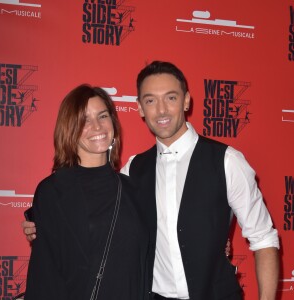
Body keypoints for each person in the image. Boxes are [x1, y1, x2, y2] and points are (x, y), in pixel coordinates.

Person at [23, 62, 280, 300]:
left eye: (171, 98)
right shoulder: (132, 170)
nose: (161, 110)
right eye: (150, 100)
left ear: (187, 101)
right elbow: (90, 211)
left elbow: (264, 239)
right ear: (139, 108)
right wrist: (41, 225)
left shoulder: (227, 161)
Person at [24, 85, 148, 300]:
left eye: (102, 116)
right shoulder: (52, 191)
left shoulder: (133, 190)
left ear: (113, 123)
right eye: (84, 120)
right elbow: (44, 276)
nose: (97, 126)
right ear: (70, 128)